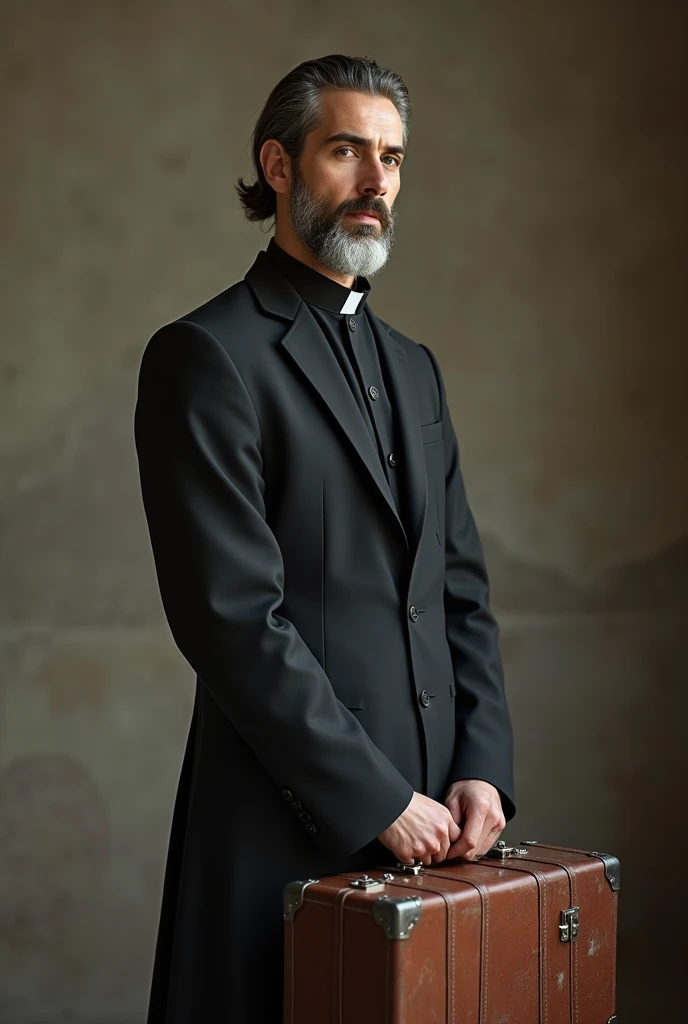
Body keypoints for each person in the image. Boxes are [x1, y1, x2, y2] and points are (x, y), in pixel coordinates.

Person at [134, 53, 515, 1024]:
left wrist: (482, 765)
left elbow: (459, 589)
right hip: (281, 827)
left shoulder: (416, 370)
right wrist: (372, 797)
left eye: (391, 157)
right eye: (347, 150)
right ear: (279, 166)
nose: (376, 180)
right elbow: (230, 619)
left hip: (440, 830)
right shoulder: (205, 355)